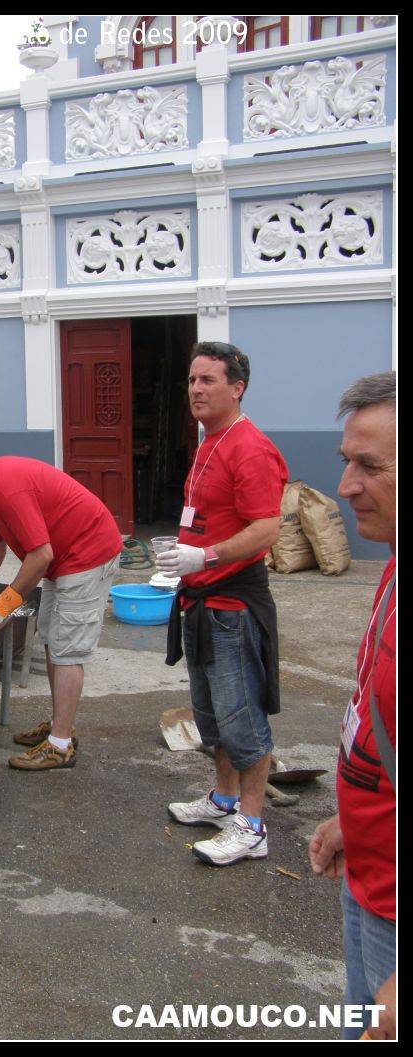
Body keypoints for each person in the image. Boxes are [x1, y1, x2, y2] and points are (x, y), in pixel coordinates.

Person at [155, 341, 288, 866]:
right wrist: (187, 560)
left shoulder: (249, 447)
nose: (196, 389)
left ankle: (251, 827)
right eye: (192, 380)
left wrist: (205, 556)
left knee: (242, 718)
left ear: (237, 388)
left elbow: (266, 528)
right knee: (211, 715)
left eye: (208, 380)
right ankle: (222, 799)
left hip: (233, 604)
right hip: (200, 599)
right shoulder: (209, 441)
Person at [0, 454, 122, 770]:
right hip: (65, 560)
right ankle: (61, 726)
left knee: (67, 650)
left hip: (87, 555)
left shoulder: (7, 489)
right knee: (53, 641)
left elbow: (40, 555)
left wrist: (4, 604)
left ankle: (59, 746)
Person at [308, 372, 396, 1041]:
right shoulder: (393, 562)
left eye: (369, 467)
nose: (344, 487)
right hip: (371, 873)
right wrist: (354, 815)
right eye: (346, 462)